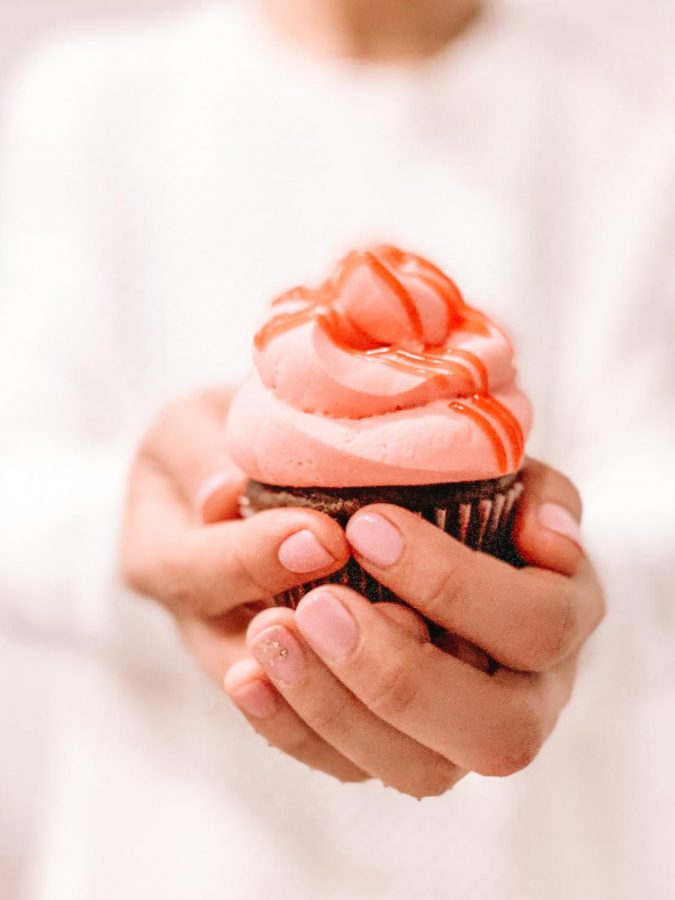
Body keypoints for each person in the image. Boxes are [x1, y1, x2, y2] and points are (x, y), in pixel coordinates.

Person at [0, 1, 673, 898]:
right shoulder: (82, 103)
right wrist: (129, 529)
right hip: (170, 857)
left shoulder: (638, 117)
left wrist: (575, 593)